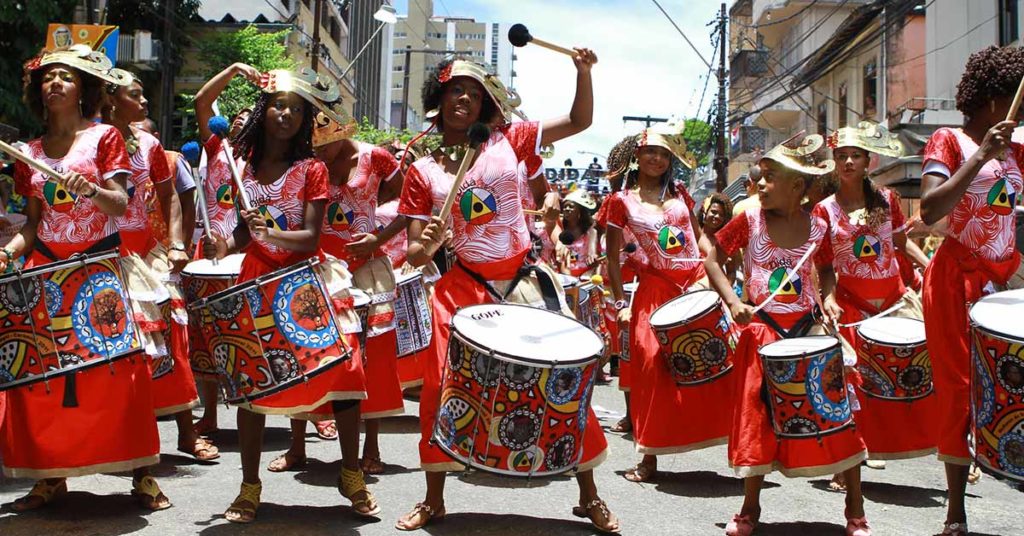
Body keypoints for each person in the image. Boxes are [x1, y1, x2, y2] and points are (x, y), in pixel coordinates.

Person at [395, 52, 619, 533]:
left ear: (486, 104)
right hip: (460, 289)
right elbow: (413, 252)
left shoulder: (512, 140)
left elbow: (581, 120)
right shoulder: (423, 169)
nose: (464, 99)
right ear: (439, 97)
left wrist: (583, 71)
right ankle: (434, 498)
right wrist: (427, 246)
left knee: (563, 383)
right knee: (441, 387)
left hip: (523, 282)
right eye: (456, 89)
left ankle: (589, 495)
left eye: (475, 93)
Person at [201, 68, 377, 523]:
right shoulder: (245, 168)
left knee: (344, 375)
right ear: (265, 110)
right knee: (251, 385)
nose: (286, 114)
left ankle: (351, 475)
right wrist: (227, 243)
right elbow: (245, 233)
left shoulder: (312, 169)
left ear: (306, 120)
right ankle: (249, 487)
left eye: (297, 110)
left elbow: (311, 238)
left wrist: (272, 234)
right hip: (256, 279)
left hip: (302, 280)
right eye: (279, 105)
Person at [3, 44, 170, 511]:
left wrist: (93, 189)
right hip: (46, 274)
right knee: (43, 379)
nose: (54, 83)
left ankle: (142, 474)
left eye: (65, 77)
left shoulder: (104, 138)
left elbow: (121, 204)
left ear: (83, 89)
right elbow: (33, 227)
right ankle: (49, 476)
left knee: (120, 376)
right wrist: (7, 253)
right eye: (48, 77)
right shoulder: (29, 152)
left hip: (98, 271)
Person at [704, 134, 871, 536]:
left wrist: (829, 297)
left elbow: (827, 269)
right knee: (756, 421)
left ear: (797, 186)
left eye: (769, 178)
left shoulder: (819, 225)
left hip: (809, 331)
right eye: (760, 178)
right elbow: (713, 258)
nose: (760, 185)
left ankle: (855, 508)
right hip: (762, 333)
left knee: (838, 413)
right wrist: (732, 301)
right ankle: (749, 508)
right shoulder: (748, 220)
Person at [919, 45, 1024, 536]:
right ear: (990, 101)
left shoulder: (1020, 153)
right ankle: (956, 511)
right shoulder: (948, 141)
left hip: (1004, 282)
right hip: (955, 280)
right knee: (961, 390)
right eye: (1015, 101)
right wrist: (982, 153)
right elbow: (930, 210)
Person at [604, 121, 734, 485]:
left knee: (727, 358)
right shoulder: (619, 202)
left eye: (664, 154)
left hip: (694, 286)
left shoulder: (680, 195)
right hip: (653, 291)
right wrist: (619, 303)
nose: (657, 159)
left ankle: (744, 446)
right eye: (650, 152)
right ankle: (648, 457)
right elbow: (612, 259)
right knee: (650, 366)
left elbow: (698, 239)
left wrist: (714, 274)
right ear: (637, 156)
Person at [103, 73, 218, 464]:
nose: (146, 102)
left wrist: (177, 244)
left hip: (145, 258)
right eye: (136, 95)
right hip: (98, 256)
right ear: (111, 100)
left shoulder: (150, 144)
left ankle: (186, 434)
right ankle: (117, 439)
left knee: (172, 341)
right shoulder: (86, 142)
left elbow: (169, 199)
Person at [816, 122, 935, 487]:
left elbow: (899, 243)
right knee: (853, 389)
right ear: (834, 163)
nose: (849, 161)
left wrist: (929, 267)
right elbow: (824, 265)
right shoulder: (824, 211)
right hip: (851, 308)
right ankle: (847, 461)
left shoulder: (888, 200)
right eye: (841, 156)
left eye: (855, 155)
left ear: (869, 160)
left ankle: (952, 445)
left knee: (925, 377)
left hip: (896, 302)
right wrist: (830, 298)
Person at [298, 113, 404, 479]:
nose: (320, 152)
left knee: (372, 356)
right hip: (320, 265)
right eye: (314, 146)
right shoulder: (309, 162)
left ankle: (371, 446)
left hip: (366, 266)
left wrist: (378, 235)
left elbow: (407, 201)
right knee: (312, 350)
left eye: (325, 144)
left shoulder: (376, 157)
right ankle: (297, 446)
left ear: (342, 133)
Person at [192, 62, 257, 438]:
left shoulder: (263, 159)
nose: (240, 120)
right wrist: (233, 69)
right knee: (208, 335)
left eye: (250, 117)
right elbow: (203, 101)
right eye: (236, 115)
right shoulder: (217, 148)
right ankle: (210, 414)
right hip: (212, 253)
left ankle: (312, 413)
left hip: (248, 253)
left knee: (252, 334)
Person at [595, 134, 647, 433]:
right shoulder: (617, 202)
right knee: (629, 354)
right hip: (625, 287)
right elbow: (606, 242)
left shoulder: (668, 197)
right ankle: (631, 414)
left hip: (652, 284)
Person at [555, 189, 600, 277]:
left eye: (571, 206)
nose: (567, 209)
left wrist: (592, 258)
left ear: (580, 210)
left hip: (584, 276)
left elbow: (592, 252)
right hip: (562, 275)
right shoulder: (559, 228)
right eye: (565, 206)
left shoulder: (590, 231)